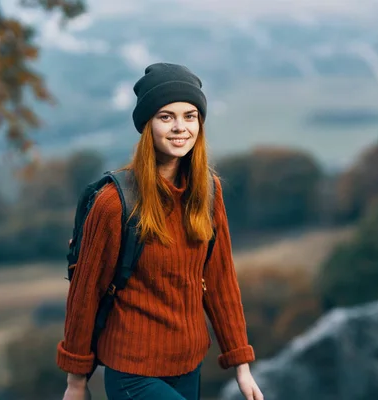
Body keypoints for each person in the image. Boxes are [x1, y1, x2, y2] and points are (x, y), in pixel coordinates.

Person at [57, 63, 264, 400]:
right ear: (147, 126)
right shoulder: (114, 202)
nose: (180, 127)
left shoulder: (209, 191)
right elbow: (85, 293)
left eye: (190, 116)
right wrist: (76, 382)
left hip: (188, 365)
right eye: (166, 117)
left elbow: (220, 279)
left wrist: (241, 365)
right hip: (133, 372)